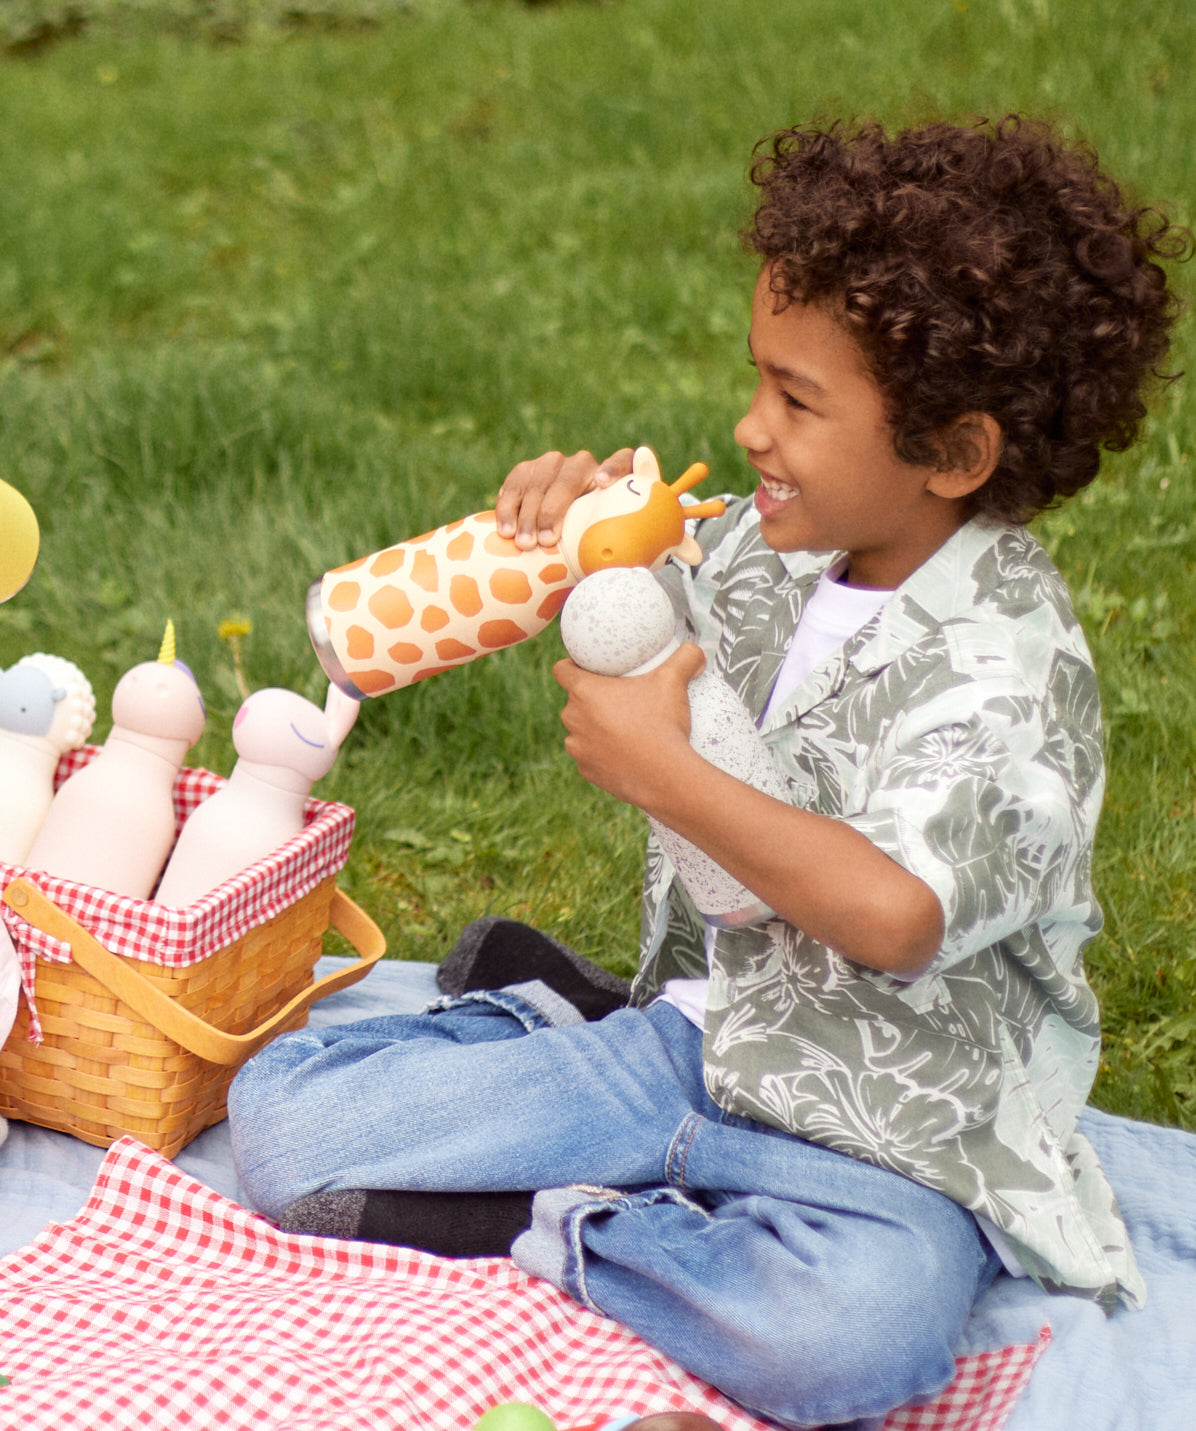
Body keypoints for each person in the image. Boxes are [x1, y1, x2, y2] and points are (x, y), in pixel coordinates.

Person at [227, 115, 1189, 1429]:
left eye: (799, 402)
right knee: (280, 1124)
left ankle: (555, 1218)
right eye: (759, 380)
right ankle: (565, 1038)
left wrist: (665, 777)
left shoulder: (1012, 668)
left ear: (954, 454)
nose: (749, 428)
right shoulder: (776, 545)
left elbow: (899, 916)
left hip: (896, 1130)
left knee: (849, 1341)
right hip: (700, 1036)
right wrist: (564, 518)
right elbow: (639, 572)